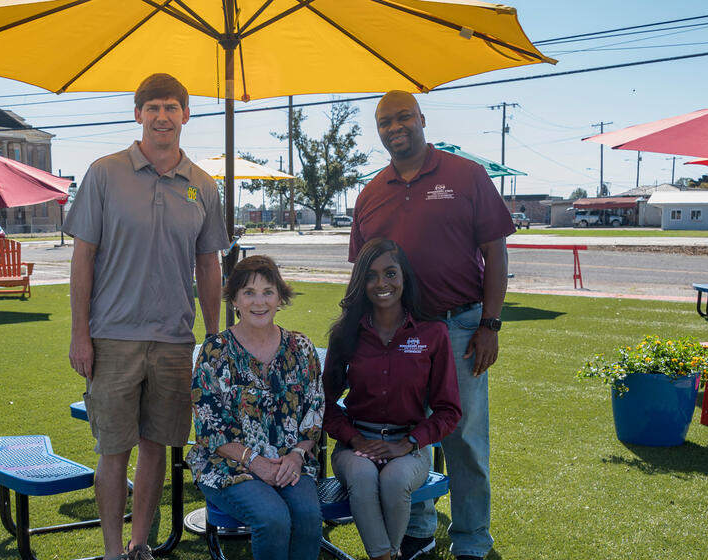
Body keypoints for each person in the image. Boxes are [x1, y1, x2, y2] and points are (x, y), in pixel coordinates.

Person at [63, 73, 229, 560]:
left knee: (157, 446)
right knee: (113, 450)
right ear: (138, 114)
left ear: (186, 115)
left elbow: (209, 264)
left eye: (171, 108)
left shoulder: (202, 185)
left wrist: (214, 337)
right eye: (152, 107)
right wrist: (80, 335)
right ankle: (114, 551)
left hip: (176, 341)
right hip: (112, 338)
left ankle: (141, 546)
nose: (162, 116)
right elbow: (83, 258)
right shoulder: (105, 172)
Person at [350, 90, 514, 560]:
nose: (395, 127)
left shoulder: (466, 176)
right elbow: (362, 271)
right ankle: (418, 527)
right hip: (397, 335)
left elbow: (496, 252)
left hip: (461, 328)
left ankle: (471, 541)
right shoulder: (371, 191)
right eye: (385, 122)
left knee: (463, 441)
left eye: (404, 117)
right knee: (406, 433)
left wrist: (490, 323)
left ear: (422, 119)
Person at [324, 238, 461, 560]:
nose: (381, 283)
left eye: (390, 273)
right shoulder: (346, 333)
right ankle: (387, 556)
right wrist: (354, 439)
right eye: (370, 275)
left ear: (404, 277)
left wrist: (409, 443)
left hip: (408, 447)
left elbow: (448, 410)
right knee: (363, 474)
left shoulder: (432, 333)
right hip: (355, 446)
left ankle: (387, 554)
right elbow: (325, 403)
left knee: (395, 479)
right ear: (360, 281)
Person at [188, 255, 324, 560]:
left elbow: (314, 414)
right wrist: (255, 461)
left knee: (307, 514)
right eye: (249, 292)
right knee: (272, 518)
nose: (258, 301)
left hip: (290, 463)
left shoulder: (301, 348)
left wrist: (297, 454)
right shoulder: (215, 351)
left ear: (280, 298)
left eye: (267, 291)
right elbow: (210, 429)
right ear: (234, 298)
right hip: (228, 466)